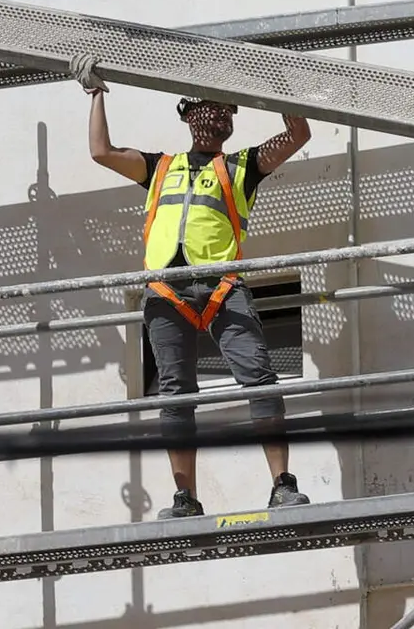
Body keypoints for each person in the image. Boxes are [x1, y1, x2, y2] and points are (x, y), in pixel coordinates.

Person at [69, 55, 314, 519]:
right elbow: (101, 152)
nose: (215, 117)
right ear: (187, 115)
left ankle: (283, 484)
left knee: (259, 379)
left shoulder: (243, 166)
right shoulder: (160, 167)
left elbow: (297, 135)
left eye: (224, 111)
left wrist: (279, 85)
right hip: (166, 291)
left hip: (222, 288)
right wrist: (96, 93)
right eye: (207, 108)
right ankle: (186, 498)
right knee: (176, 396)